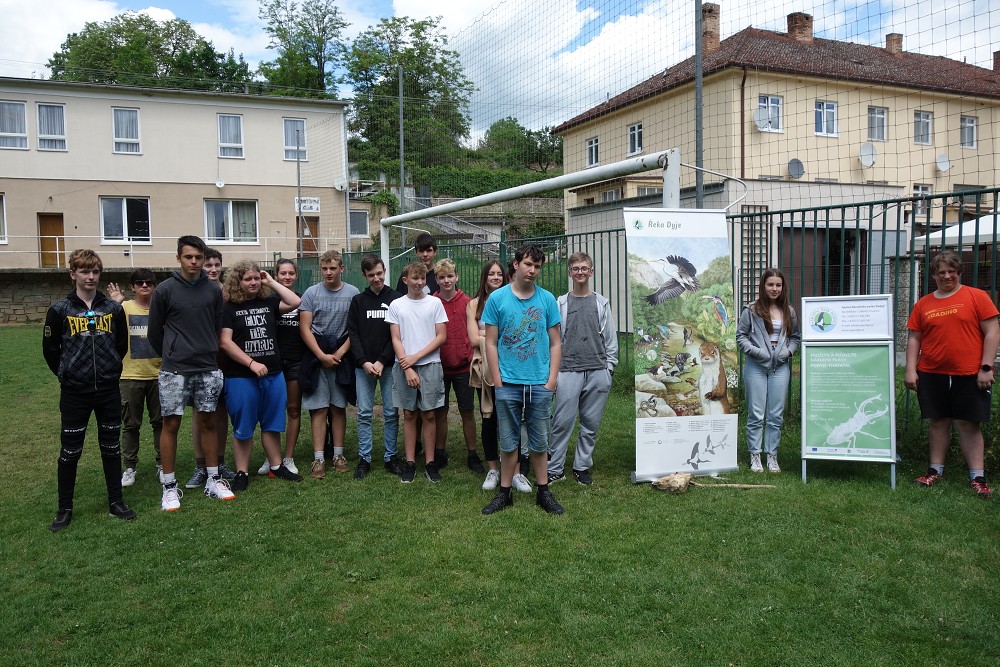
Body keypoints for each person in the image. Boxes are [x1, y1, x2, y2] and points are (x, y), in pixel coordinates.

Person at [43, 249, 135, 531]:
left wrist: (108, 371)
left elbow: (121, 345)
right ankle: (64, 508)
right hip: (75, 392)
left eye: (95, 271)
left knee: (110, 447)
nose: (91, 276)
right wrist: (67, 374)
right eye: (85, 271)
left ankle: (116, 501)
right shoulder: (60, 310)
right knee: (70, 451)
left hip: (107, 389)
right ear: (73, 274)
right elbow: (50, 350)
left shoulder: (113, 309)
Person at [148, 235, 234, 510]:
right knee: (170, 424)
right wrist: (173, 353)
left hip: (208, 367)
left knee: (208, 422)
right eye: (189, 257)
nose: (194, 262)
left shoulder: (212, 291)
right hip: (175, 370)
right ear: (179, 258)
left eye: (198, 257)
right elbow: (154, 333)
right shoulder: (164, 290)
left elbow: (217, 326)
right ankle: (170, 487)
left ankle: (213, 479)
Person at [905, 250, 998, 499]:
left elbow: (992, 331)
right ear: (934, 274)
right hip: (931, 372)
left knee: (968, 423)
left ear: (959, 272)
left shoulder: (977, 297)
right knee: (938, 421)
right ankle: (935, 470)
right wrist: (911, 369)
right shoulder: (923, 303)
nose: (947, 275)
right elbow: (914, 338)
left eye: (951, 271)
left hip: (970, 372)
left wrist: (986, 367)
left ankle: (977, 476)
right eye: (941, 272)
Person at [481, 244, 564, 515]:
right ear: (516, 264)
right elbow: (490, 343)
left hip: (539, 383)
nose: (533, 270)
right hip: (508, 383)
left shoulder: (547, 300)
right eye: (528, 264)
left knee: (540, 441)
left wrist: (551, 381)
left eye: (538, 266)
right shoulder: (497, 299)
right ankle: (504, 493)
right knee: (507, 441)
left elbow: (555, 343)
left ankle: (543, 492)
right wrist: (498, 379)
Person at [219, 261, 303, 492]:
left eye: (257, 278)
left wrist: (272, 281)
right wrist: (251, 363)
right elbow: (225, 342)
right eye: (248, 279)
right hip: (241, 376)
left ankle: (276, 466)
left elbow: (295, 301)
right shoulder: (229, 307)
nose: (254, 282)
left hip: (274, 374)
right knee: (243, 427)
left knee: (272, 424)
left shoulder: (268, 302)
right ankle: (242, 472)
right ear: (238, 281)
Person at [547, 252, 618, 486]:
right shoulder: (560, 303)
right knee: (561, 423)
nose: (580, 272)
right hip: (568, 370)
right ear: (570, 272)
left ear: (591, 272)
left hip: (598, 370)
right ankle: (555, 468)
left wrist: (609, 368)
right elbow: (554, 339)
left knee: (590, 423)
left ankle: (581, 466)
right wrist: (553, 373)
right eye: (575, 268)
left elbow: (610, 339)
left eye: (584, 268)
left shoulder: (601, 302)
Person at [386, 262, 448, 483]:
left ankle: (430, 463)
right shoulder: (396, 305)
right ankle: (410, 462)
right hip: (404, 366)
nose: (420, 282)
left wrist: (416, 358)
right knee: (409, 414)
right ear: (405, 280)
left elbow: (441, 336)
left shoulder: (435, 303)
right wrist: (408, 366)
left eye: (422, 278)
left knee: (429, 414)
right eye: (415, 278)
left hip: (430, 365)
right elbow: (395, 338)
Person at [299, 250, 359, 478]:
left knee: (338, 407)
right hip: (317, 356)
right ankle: (318, 459)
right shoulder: (311, 293)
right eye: (324, 268)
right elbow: (305, 328)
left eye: (333, 268)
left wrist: (341, 353)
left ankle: (338, 454)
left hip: (342, 355)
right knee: (319, 408)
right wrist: (321, 355)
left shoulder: (353, 293)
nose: (328, 272)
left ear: (341, 268)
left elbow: (355, 328)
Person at [736, 268, 800, 473]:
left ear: (783, 287)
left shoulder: (789, 311)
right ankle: (755, 454)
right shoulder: (751, 310)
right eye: (770, 284)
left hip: (779, 368)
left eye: (778, 285)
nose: (774, 289)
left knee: (776, 414)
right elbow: (741, 336)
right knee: (756, 414)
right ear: (763, 286)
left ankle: (772, 455)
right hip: (756, 366)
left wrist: (788, 353)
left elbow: (795, 338)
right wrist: (757, 352)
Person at [348, 254, 402, 479]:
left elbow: (397, 335)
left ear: (384, 271)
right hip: (364, 367)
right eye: (371, 275)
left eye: (379, 273)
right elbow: (353, 333)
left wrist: (381, 360)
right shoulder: (358, 301)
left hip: (388, 365)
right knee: (364, 412)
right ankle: (365, 458)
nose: (376, 278)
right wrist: (364, 361)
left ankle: (391, 457)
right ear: (365, 276)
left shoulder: (397, 299)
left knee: (391, 412)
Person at [109, 269, 163, 487]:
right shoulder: (123, 308)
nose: (144, 286)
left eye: (148, 282)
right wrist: (115, 303)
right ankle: (130, 467)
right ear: (132, 287)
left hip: (159, 375)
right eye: (139, 282)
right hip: (130, 375)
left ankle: (162, 464)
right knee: (131, 425)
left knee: (160, 423)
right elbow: (108, 328)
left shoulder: (161, 308)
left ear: (154, 285)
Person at [186, 247, 235, 488]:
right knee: (199, 411)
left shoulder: (228, 293)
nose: (213, 269)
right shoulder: (193, 292)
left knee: (220, 410)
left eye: (217, 265)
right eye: (209, 265)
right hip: (200, 359)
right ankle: (200, 465)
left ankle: (220, 460)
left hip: (225, 358)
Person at [433, 258, 483, 474]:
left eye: (450, 276)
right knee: (440, 412)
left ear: (457, 277)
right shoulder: (431, 302)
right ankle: (440, 452)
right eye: (442, 277)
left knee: (467, 411)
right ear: (436, 279)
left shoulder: (468, 302)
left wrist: (467, 351)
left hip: (463, 366)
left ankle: (472, 453)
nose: (446, 280)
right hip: (439, 367)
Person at [257, 258, 305, 476]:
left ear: (296, 275)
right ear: (276, 276)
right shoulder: (267, 301)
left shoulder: (301, 299)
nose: (287, 277)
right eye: (282, 273)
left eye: (290, 273)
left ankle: (288, 457)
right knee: (271, 411)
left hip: (295, 360)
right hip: (272, 363)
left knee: (293, 409)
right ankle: (271, 457)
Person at [467, 260, 509, 490]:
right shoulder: (474, 305)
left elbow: (512, 335)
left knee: (511, 418)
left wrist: (487, 333)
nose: (495, 277)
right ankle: (493, 468)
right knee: (489, 419)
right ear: (484, 278)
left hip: (509, 368)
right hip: (484, 370)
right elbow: (474, 339)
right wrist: (494, 335)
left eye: (499, 274)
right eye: (491, 274)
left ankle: (514, 467)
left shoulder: (510, 299)